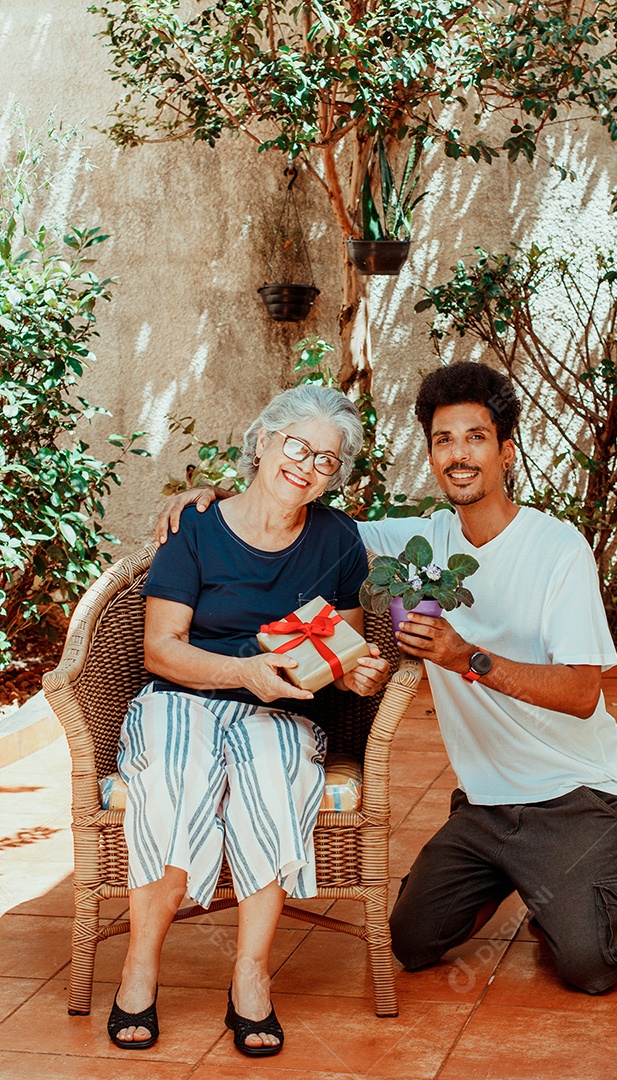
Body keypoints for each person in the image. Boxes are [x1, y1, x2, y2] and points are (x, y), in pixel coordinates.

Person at [156, 361, 617, 997]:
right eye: (443, 440)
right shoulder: (416, 541)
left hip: (577, 792)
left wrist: (466, 658)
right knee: (411, 943)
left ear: (507, 450)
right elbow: (293, 515)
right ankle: (529, 875)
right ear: (430, 454)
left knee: (590, 967)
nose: (459, 455)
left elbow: (583, 694)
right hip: (486, 802)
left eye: (476, 437)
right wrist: (205, 502)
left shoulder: (557, 549)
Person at [109, 385, 389, 1057]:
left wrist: (355, 670)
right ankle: (140, 966)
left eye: (327, 458)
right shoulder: (195, 528)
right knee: (175, 777)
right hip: (184, 698)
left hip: (281, 713)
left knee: (274, 778)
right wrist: (243, 673)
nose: (308, 465)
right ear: (263, 443)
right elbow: (160, 649)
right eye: (297, 445)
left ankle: (251, 976)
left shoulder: (339, 540)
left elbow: (338, 649)